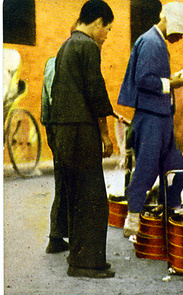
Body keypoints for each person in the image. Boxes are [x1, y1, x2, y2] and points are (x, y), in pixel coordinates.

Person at [49, 0, 115, 278]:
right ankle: (87, 263)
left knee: (77, 194)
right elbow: (96, 92)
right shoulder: (88, 46)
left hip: (63, 129)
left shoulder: (67, 45)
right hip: (80, 129)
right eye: (107, 29)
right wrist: (105, 133)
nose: (107, 36)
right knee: (93, 197)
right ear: (98, 22)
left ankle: (78, 259)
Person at [118, 2, 183, 237]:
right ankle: (134, 215)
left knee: (177, 166)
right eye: (180, 33)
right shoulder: (152, 42)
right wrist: (174, 83)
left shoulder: (154, 40)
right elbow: (144, 80)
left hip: (160, 116)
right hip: (151, 117)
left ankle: (167, 209)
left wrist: (169, 79)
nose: (180, 38)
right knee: (147, 167)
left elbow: (151, 78)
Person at [41, 56, 69, 254]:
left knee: (63, 179)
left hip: (53, 124)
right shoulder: (58, 62)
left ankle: (57, 236)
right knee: (64, 179)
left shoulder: (56, 61)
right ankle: (56, 236)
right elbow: (54, 96)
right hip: (58, 125)